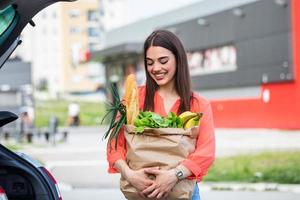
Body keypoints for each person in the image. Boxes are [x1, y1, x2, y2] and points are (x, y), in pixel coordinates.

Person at [107, 30, 215, 199]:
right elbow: (115, 147)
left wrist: (173, 176)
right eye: (149, 63)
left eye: (163, 61)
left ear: (178, 60)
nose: (156, 68)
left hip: (183, 191)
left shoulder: (198, 104)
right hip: (141, 191)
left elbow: (206, 152)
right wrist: (130, 175)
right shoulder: (132, 100)